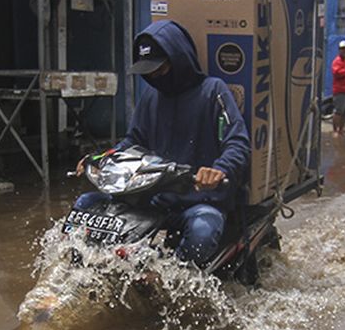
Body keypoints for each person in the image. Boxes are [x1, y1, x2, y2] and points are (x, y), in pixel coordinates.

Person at [75, 20, 249, 267]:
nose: (154, 77)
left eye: (160, 69)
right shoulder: (150, 97)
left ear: (178, 59)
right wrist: (103, 158)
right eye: (148, 72)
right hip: (151, 198)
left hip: (196, 202)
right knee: (85, 206)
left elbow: (238, 143)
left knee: (202, 233)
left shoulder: (213, 92)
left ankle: (174, 284)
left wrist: (219, 170)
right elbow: (133, 141)